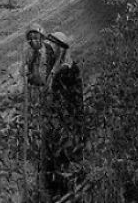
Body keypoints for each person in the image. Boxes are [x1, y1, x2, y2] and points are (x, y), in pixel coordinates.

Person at [43, 31, 84, 202]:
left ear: (60, 49)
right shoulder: (56, 68)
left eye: (52, 46)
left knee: (63, 165)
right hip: (57, 126)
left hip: (65, 128)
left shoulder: (67, 70)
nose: (49, 50)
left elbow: (68, 103)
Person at [23, 23, 55, 89]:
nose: (32, 42)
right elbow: (26, 69)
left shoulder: (48, 50)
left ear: (41, 38)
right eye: (30, 39)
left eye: (35, 38)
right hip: (35, 87)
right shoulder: (29, 53)